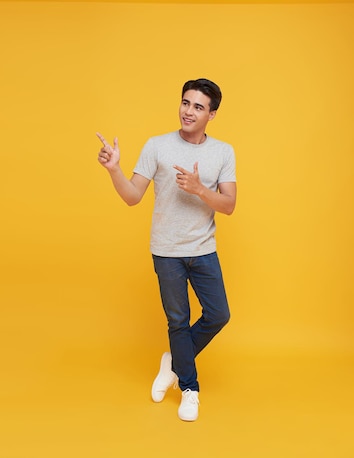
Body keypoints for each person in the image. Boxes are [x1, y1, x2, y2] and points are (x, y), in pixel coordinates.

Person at [96, 78, 236, 422]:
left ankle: (173, 362)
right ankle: (190, 388)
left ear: (212, 114)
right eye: (186, 103)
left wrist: (200, 190)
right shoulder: (156, 146)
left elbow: (229, 205)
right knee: (178, 321)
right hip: (166, 251)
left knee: (218, 315)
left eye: (198, 107)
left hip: (203, 249)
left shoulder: (223, 152)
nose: (189, 111)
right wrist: (114, 169)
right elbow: (132, 197)